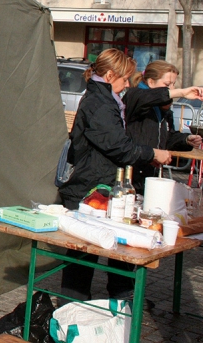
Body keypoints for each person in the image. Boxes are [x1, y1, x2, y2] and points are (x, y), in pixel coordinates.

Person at [58, 48, 172, 301]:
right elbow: (118, 146)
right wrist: (151, 152)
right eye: (125, 79)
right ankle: (71, 309)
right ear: (110, 75)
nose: (128, 85)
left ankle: (120, 296)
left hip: (102, 183)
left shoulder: (108, 100)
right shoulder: (99, 104)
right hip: (89, 187)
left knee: (114, 246)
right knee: (82, 257)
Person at [124, 60, 203, 194]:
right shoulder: (136, 97)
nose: (172, 89)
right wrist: (182, 93)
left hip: (151, 175)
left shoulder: (164, 111)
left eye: (174, 84)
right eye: (167, 84)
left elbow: (168, 138)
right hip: (132, 173)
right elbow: (150, 97)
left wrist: (186, 140)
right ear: (150, 82)